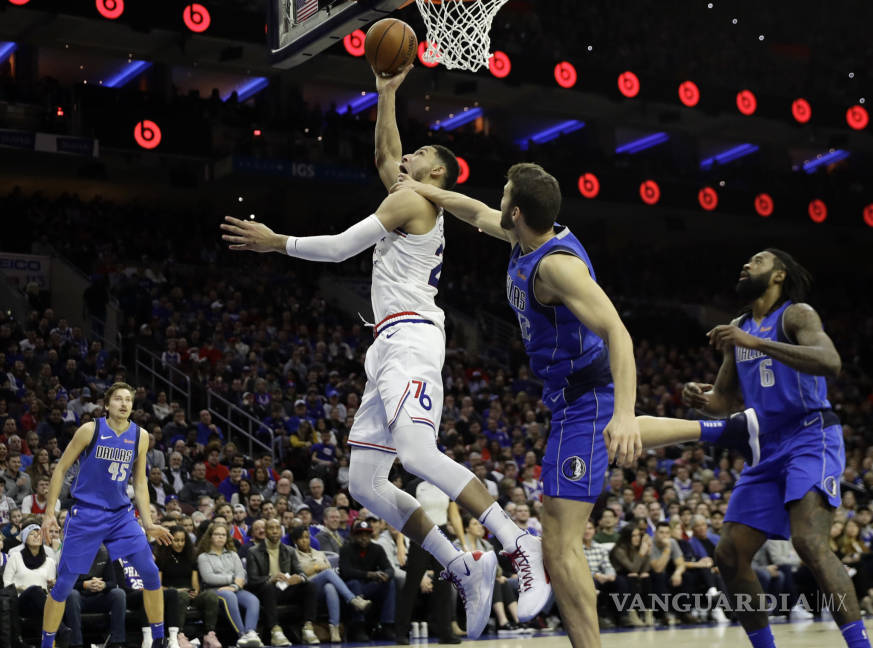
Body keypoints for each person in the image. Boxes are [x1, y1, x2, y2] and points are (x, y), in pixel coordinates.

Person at [219, 65, 551, 640]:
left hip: (413, 337)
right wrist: (387, 91)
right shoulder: (409, 192)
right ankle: (462, 566)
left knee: (418, 455)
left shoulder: (415, 203)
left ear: (436, 172)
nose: (405, 156)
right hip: (388, 343)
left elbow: (344, 246)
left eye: (420, 153)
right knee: (366, 481)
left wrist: (278, 242)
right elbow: (385, 151)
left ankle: (517, 538)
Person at [394, 164, 764, 646]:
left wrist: (626, 413)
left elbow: (619, 333)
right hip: (574, 398)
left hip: (585, 400)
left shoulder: (555, 266)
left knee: (558, 540)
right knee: (587, 484)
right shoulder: (523, 239)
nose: (497, 202)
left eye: (504, 196)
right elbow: (474, 212)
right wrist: (422, 188)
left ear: (519, 211)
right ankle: (730, 430)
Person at [642, 250, 863, 648]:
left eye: (756, 261)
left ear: (778, 275)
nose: (745, 264)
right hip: (765, 447)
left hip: (811, 436)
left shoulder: (797, 315)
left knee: (809, 542)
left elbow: (830, 362)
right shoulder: (739, 327)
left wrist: (755, 342)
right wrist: (697, 394)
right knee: (728, 555)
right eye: (745, 261)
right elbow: (724, 400)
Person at [40, 382, 173, 648]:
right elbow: (60, 469)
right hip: (87, 513)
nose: (124, 404)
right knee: (64, 584)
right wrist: (48, 513)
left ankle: (159, 640)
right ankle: (47, 643)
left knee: (149, 571)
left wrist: (148, 523)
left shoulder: (140, 436)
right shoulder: (90, 430)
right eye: (118, 399)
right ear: (107, 404)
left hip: (121, 515)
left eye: (128, 400)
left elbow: (139, 483)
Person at [290, 524, 371, 643]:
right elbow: (299, 573)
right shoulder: (293, 554)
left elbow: (330, 568)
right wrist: (317, 567)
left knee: (330, 587)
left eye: (307, 537)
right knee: (327, 574)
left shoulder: (319, 553)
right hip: (306, 588)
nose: (304, 540)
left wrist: (319, 569)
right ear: (296, 541)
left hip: (323, 589)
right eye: (301, 538)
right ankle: (353, 600)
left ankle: (334, 629)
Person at [245, 518, 316, 646]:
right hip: (265, 591)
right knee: (269, 587)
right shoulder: (253, 552)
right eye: (271, 528)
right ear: (266, 531)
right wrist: (270, 578)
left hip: (286, 589)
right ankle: (275, 631)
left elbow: (302, 573)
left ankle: (308, 627)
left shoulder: (289, 550)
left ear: (281, 531)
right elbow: (252, 580)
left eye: (277, 528)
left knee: (309, 586)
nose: (274, 531)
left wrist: (299, 578)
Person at [196, 522, 262, 648]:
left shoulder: (233, 554)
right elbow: (209, 577)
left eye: (223, 535)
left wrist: (235, 586)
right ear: (210, 537)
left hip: (234, 588)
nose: (220, 537)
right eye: (217, 534)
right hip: (213, 590)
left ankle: (251, 633)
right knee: (229, 596)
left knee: (253, 600)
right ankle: (241, 635)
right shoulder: (203, 557)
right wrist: (232, 579)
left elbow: (242, 575)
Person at [154, 526, 222, 648]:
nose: (180, 544)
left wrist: (195, 591)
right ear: (169, 540)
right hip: (171, 595)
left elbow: (195, 583)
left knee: (210, 595)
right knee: (181, 595)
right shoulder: (161, 558)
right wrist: (176, 590)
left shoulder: (190, 557)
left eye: (182, 540)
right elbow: (158, 586)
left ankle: (209, 634)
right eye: (176, 540)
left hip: (189, 594)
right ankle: (178, 635)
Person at [2, 523, 59, 638]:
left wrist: (52, 584)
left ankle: (42, 642)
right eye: (31, 534)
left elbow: (50, 590)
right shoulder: (15, 557)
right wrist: (19, 587)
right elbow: (6, 583)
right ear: (24, 538)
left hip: (40, 601)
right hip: (20, 600)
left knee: (39, 599)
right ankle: (60, 630)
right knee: (34, 590)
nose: (36, 536)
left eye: (38, 534)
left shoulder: (50, 562)